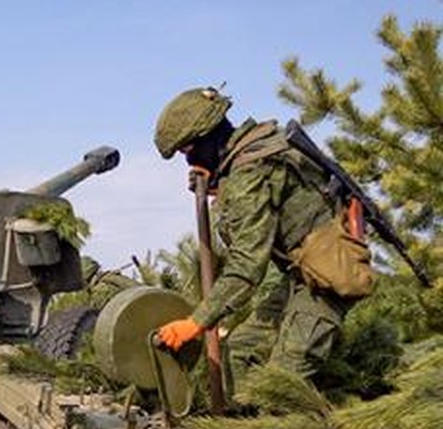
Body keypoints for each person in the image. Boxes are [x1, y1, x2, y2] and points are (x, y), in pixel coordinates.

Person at [151, 86, 371, 383]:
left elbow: (247, 266)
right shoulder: (258, 147)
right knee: (239, 352)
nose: (189, 162)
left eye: (188, 152)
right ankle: (244, 425)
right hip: (300, 272)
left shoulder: (249, 172)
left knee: (284, 377)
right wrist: (219, 182)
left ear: (207, 138)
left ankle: (301, 427)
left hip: (329, 275)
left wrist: (196, 323)